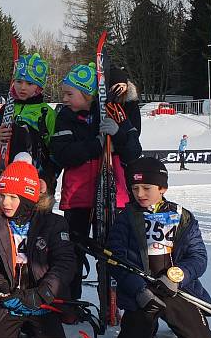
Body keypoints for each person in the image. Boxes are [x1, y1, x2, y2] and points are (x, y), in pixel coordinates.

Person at [51, 64, 142, 301]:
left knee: (113, 252)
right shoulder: (65, 116)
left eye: (70, 94)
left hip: (112, 196)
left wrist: (119, 132)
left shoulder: (114, 112)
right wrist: (96, 144)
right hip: (78, 197)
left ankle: (113, 302)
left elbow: (134, 151)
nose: (64, 98)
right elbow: (63, 154)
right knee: (73, 250)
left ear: (88, 94)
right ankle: (69, 301)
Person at [106, 157, 211, 338]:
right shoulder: (126, 218)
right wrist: (138, 288)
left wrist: (178, 277)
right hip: (142, 292)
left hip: (175, 289)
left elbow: (198, 257)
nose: (140, 194)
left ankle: (178, 322)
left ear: (162, 188)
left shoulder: (182, 216)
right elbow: (115, 260)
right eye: (135, 188)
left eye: (146, 188)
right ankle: (148, 323)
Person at [0, 155, 75, 338]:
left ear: (27, 198)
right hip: (5, 301)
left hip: (42, 301)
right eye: (2, 196)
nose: (5, 203)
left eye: (13, 197)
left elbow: (65, 264)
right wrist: (1, 289)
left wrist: (44, 293)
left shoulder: (53, 224)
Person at [0, 53, 58, 195]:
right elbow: (1, 146)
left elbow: (56, 153)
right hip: (7, 176)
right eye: (19, 81)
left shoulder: (47, 113)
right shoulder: (7, 109)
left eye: (29, 83)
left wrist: (47, 179)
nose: (22, 87)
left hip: (35, 178)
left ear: (39, 86)